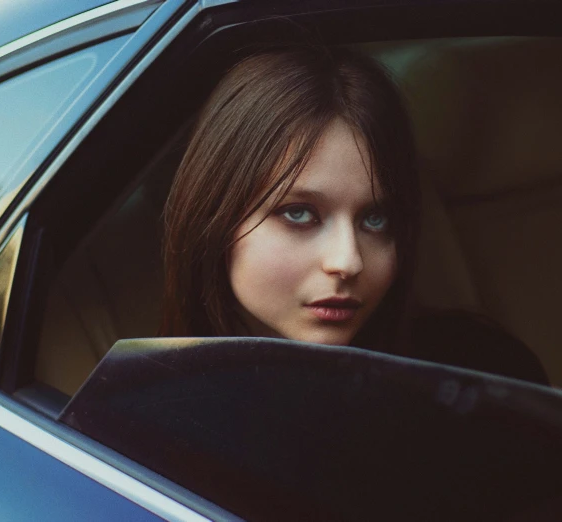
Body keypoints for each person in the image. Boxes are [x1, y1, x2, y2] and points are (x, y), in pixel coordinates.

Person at [160, 45, 420, 353]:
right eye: (299, 213)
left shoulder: (464, 374)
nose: (348, 262)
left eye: (375, 219)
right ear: (215, 218)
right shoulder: (152, 396)